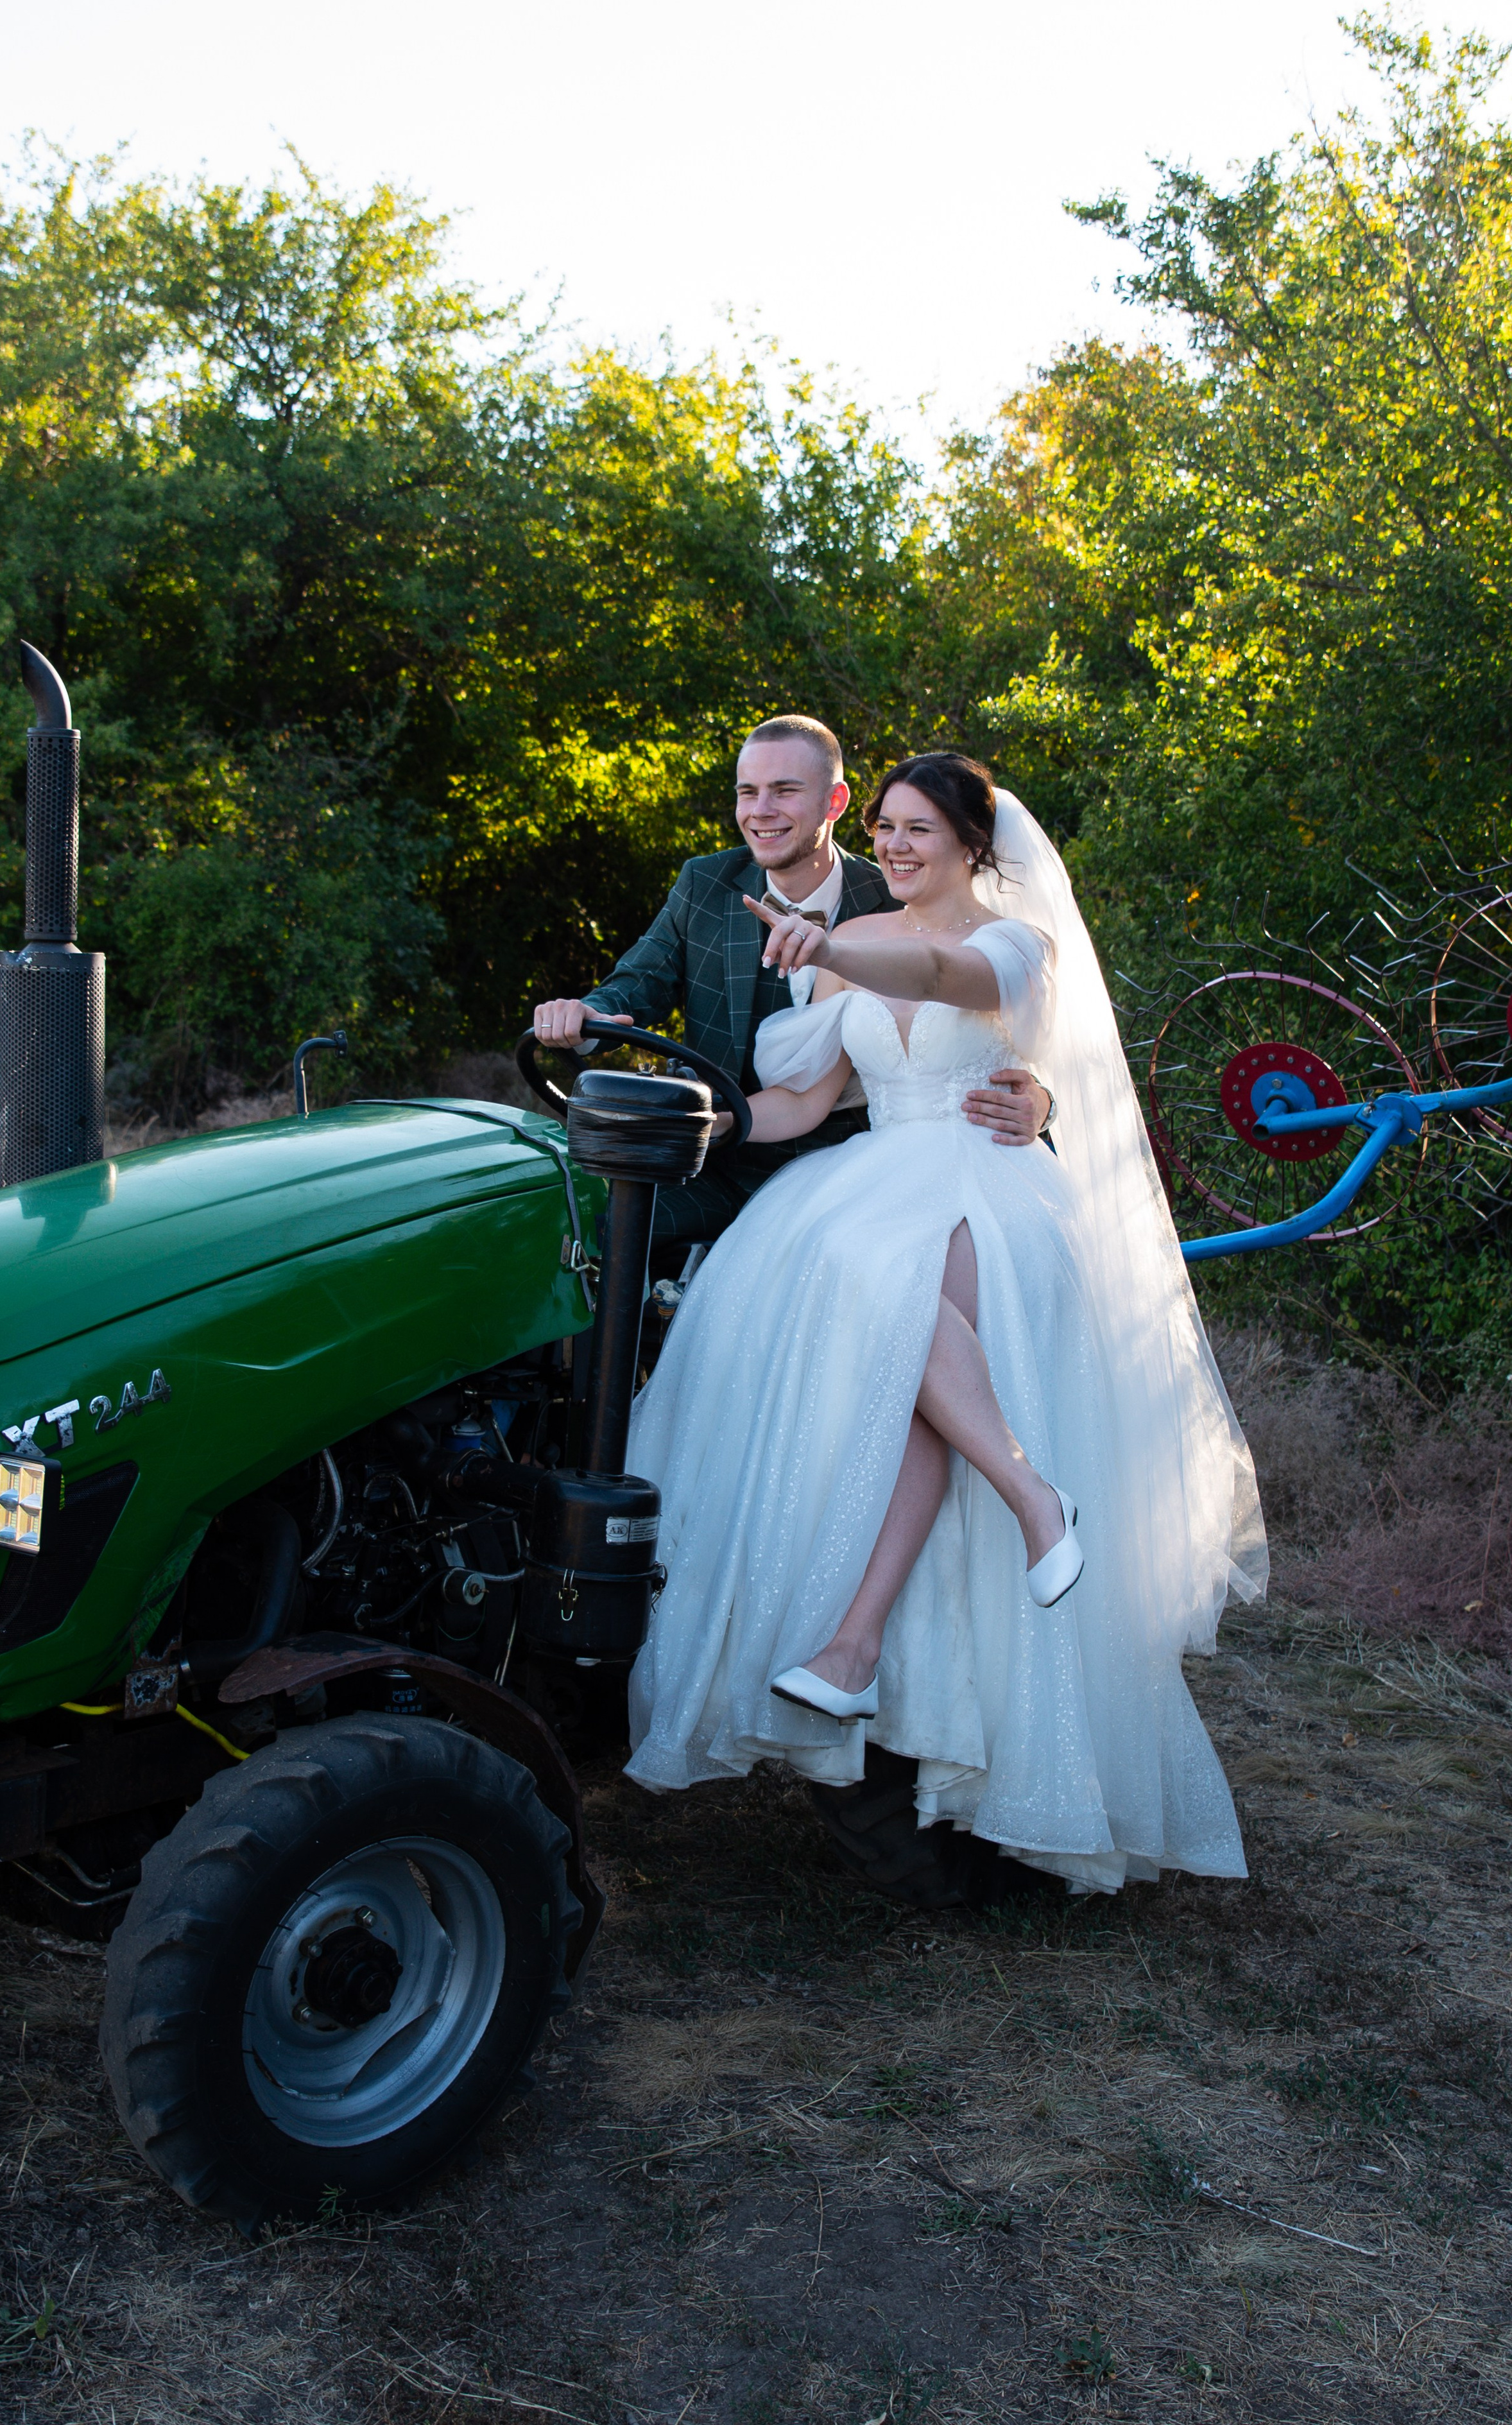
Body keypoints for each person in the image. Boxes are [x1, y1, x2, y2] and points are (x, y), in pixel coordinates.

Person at [624, 752, 1267, 1895]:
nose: (897, 845)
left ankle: (874, 1630)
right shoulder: (852, 948)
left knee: (905, 1294)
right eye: (886, 826)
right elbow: (805, 1100)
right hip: (879, 1177)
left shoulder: (1013, 946)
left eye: (921, 828)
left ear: (975, 843)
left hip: (990, 1182)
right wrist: (707, 1125)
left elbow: (938, 972)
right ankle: (981, 1542)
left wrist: (829, 949)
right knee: (897, 1318)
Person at [531, 714, 1052, 1264]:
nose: (761, 810)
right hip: (719, 1163)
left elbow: (978, 1014)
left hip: (849, 1169)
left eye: (784, 791)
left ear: (835, 802)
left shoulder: (900, 891)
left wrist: (1043, 1102)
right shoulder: (706, 884)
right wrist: (587, 1019)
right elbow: (638, 983)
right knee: (578, 1219)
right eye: (747, 792)